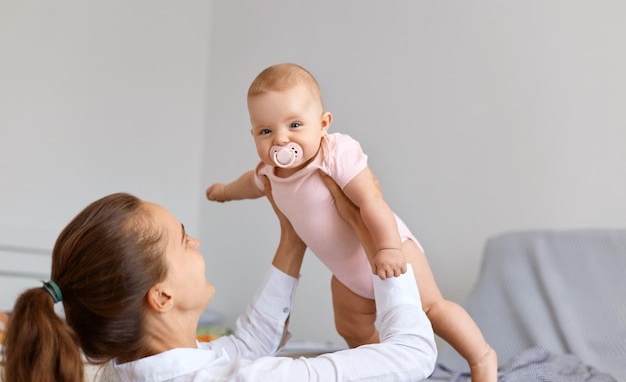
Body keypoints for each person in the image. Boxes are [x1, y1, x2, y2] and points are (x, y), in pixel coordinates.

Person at [206, 63, 498, 382]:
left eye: (294, 125)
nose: (280, 140)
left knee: (431, 309)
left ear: (323, 124)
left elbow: (371, 200)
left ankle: (481, 357)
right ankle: (384, 370)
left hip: (390, 249)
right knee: (350, 327)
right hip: (347, 274)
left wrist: (388, 248)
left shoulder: (334, 153)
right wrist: (224, 192)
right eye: (266, 131)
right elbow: (248, 184)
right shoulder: (268, 173)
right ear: (253, 134)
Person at [2, 174, 437, 382]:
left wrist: (293, 238)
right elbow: (414, 355)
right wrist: (377, 240)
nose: (196, 243)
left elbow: (240, 348)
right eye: (183, 239)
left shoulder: (120, 373)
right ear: (162, 296)